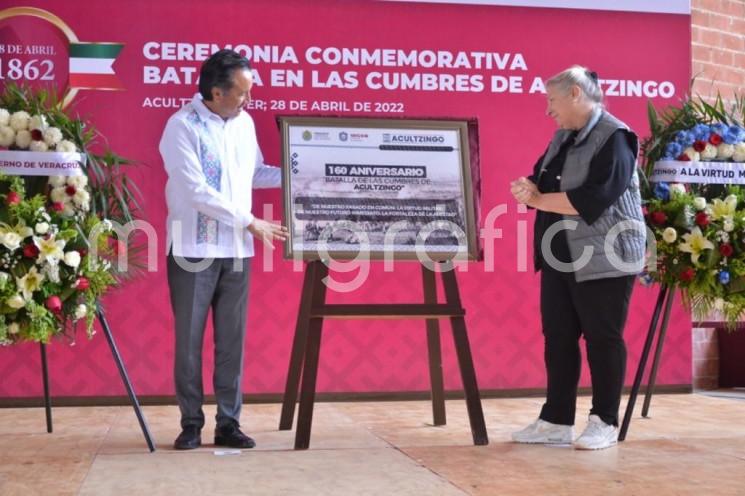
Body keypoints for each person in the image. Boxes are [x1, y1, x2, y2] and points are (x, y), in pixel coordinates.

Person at [509, 65, 646, 450]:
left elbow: (592, 200)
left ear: (575, 94)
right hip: (561, 252)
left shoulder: (616, 138)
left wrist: (536, 199)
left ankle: (604, 420)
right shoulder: (561, 137)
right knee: (559, 336)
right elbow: (542, 180)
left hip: (607, 253)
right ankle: (555, 420)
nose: (548, 110)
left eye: (552, 100)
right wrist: (527, 186)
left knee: (603, 337)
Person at [159, 49, 288, 450]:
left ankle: (228, 423)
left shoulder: (244, 123)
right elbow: (196, 191)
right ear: (216, 92)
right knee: (190, 341)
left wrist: (300, 174)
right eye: (242, 93)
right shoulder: (182, 126)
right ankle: (191, 423)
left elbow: (256, 173)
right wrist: (251, 221)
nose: (249, 101)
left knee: (232, 341)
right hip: (193, 247)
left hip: (236, 250)